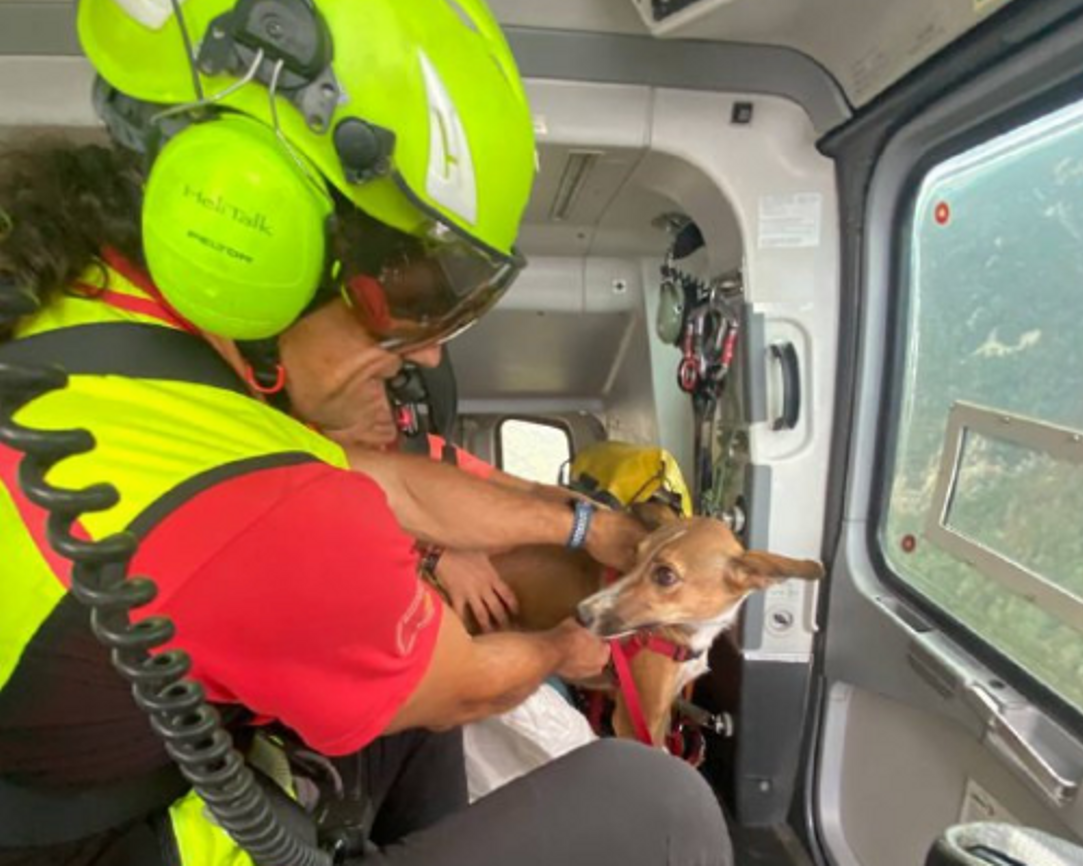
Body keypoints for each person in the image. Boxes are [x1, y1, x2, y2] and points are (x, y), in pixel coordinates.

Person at [0, 2, 734, 866]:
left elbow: (390, 481)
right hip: (113, 840)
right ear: (250, 242)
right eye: (408, 293)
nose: (423, 350)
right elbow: (461, 686)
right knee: (656, 803)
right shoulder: (266, 505)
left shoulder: (96, 311)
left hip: (92, 778)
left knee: (405, 708)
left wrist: (583, 524)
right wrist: (571, 644)